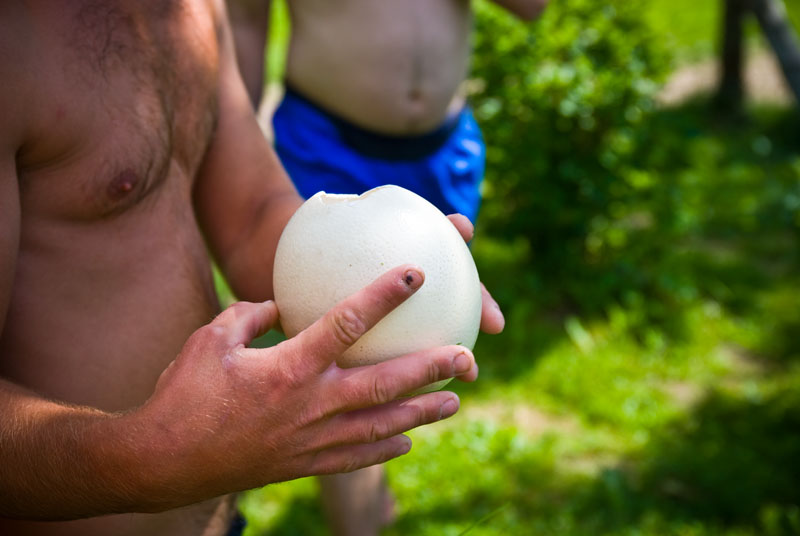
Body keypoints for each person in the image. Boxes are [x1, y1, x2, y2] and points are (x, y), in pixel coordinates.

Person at [0, 2, 505, 536]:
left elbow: (251, 216)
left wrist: (390, 269)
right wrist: (157, 454)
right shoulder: (15, 42)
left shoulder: (187, 10)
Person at [228, 1, 546, 534]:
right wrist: (243, 144)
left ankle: (369, 485)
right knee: (341, 351)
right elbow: (244, 19)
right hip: (327, 141)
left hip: (442, 147)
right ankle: (358, 515)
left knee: (417, 331)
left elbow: (530, 8)